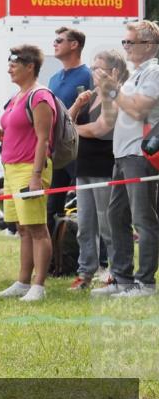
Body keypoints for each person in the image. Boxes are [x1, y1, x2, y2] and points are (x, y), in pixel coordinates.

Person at [0, 46, 56, 302]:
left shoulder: (40, 96)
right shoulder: (16, 97)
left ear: (30, 66)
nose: (9, 68)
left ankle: (39, 285)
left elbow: (43, 140)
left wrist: (35, 176)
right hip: (11, 167)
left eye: (14, 63)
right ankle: (23, 282)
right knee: (23, 229)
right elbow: (12, 136)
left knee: (37, 228)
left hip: (29, 169)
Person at [91, 20, 159, 298]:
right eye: (125, 42)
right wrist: (104, 90)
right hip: (122, 154)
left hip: (139, 154)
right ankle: (122, 278)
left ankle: (146, 283)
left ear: (149, 45)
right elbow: (109, 119)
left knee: (143, 219)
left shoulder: (153, 72)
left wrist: (113, 89)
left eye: (131, 42)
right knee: (116, 216)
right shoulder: (133, 75)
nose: (126, 47)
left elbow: (138, 108)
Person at [67, 50, 126, 290]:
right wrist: (76, 105)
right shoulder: (89, 96)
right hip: (84, 166)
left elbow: (102, 129)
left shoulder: (116, 96)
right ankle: (85, 272)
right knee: (85, 224)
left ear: (114, 71)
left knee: (108, 224)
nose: (93, 72)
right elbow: (66, 121)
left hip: (106, 166)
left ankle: (117, 271)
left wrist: (75, 130)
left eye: (99, 67)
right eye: (92, 67)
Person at [46, 27, 93, 233]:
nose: (54, 44)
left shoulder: (88, 76)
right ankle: (55, 260)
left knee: (86, 207)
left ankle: (97, 259)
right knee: (51, 208)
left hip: (81, 151)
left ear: (74, 45)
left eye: (59, 40)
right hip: (57, 151)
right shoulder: (54, 79)